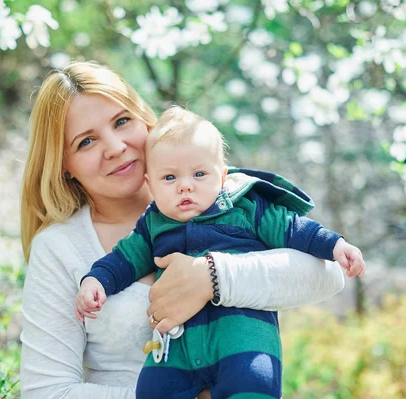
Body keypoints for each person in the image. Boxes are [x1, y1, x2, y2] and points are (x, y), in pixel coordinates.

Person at [19, 61, 347, 399]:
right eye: (86, 142)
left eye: (122, 121)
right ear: (65, 166)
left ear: (144, 119)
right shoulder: (61, 247)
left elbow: (329, 274)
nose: (115, 147)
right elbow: (46, 391)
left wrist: (213, 278)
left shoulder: (218, 195)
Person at [76, 106, 365, 398]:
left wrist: (336, 245)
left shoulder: (246, 207)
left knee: (253, 385)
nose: (185, 186)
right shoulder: (152, 224)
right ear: (150, 184)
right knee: (150, 389)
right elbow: (124, 259)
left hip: (243, 343)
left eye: (199, 174)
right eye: (169, 178)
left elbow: (295, 229)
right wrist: (96, 280)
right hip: (176, 352)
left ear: (222, 175)